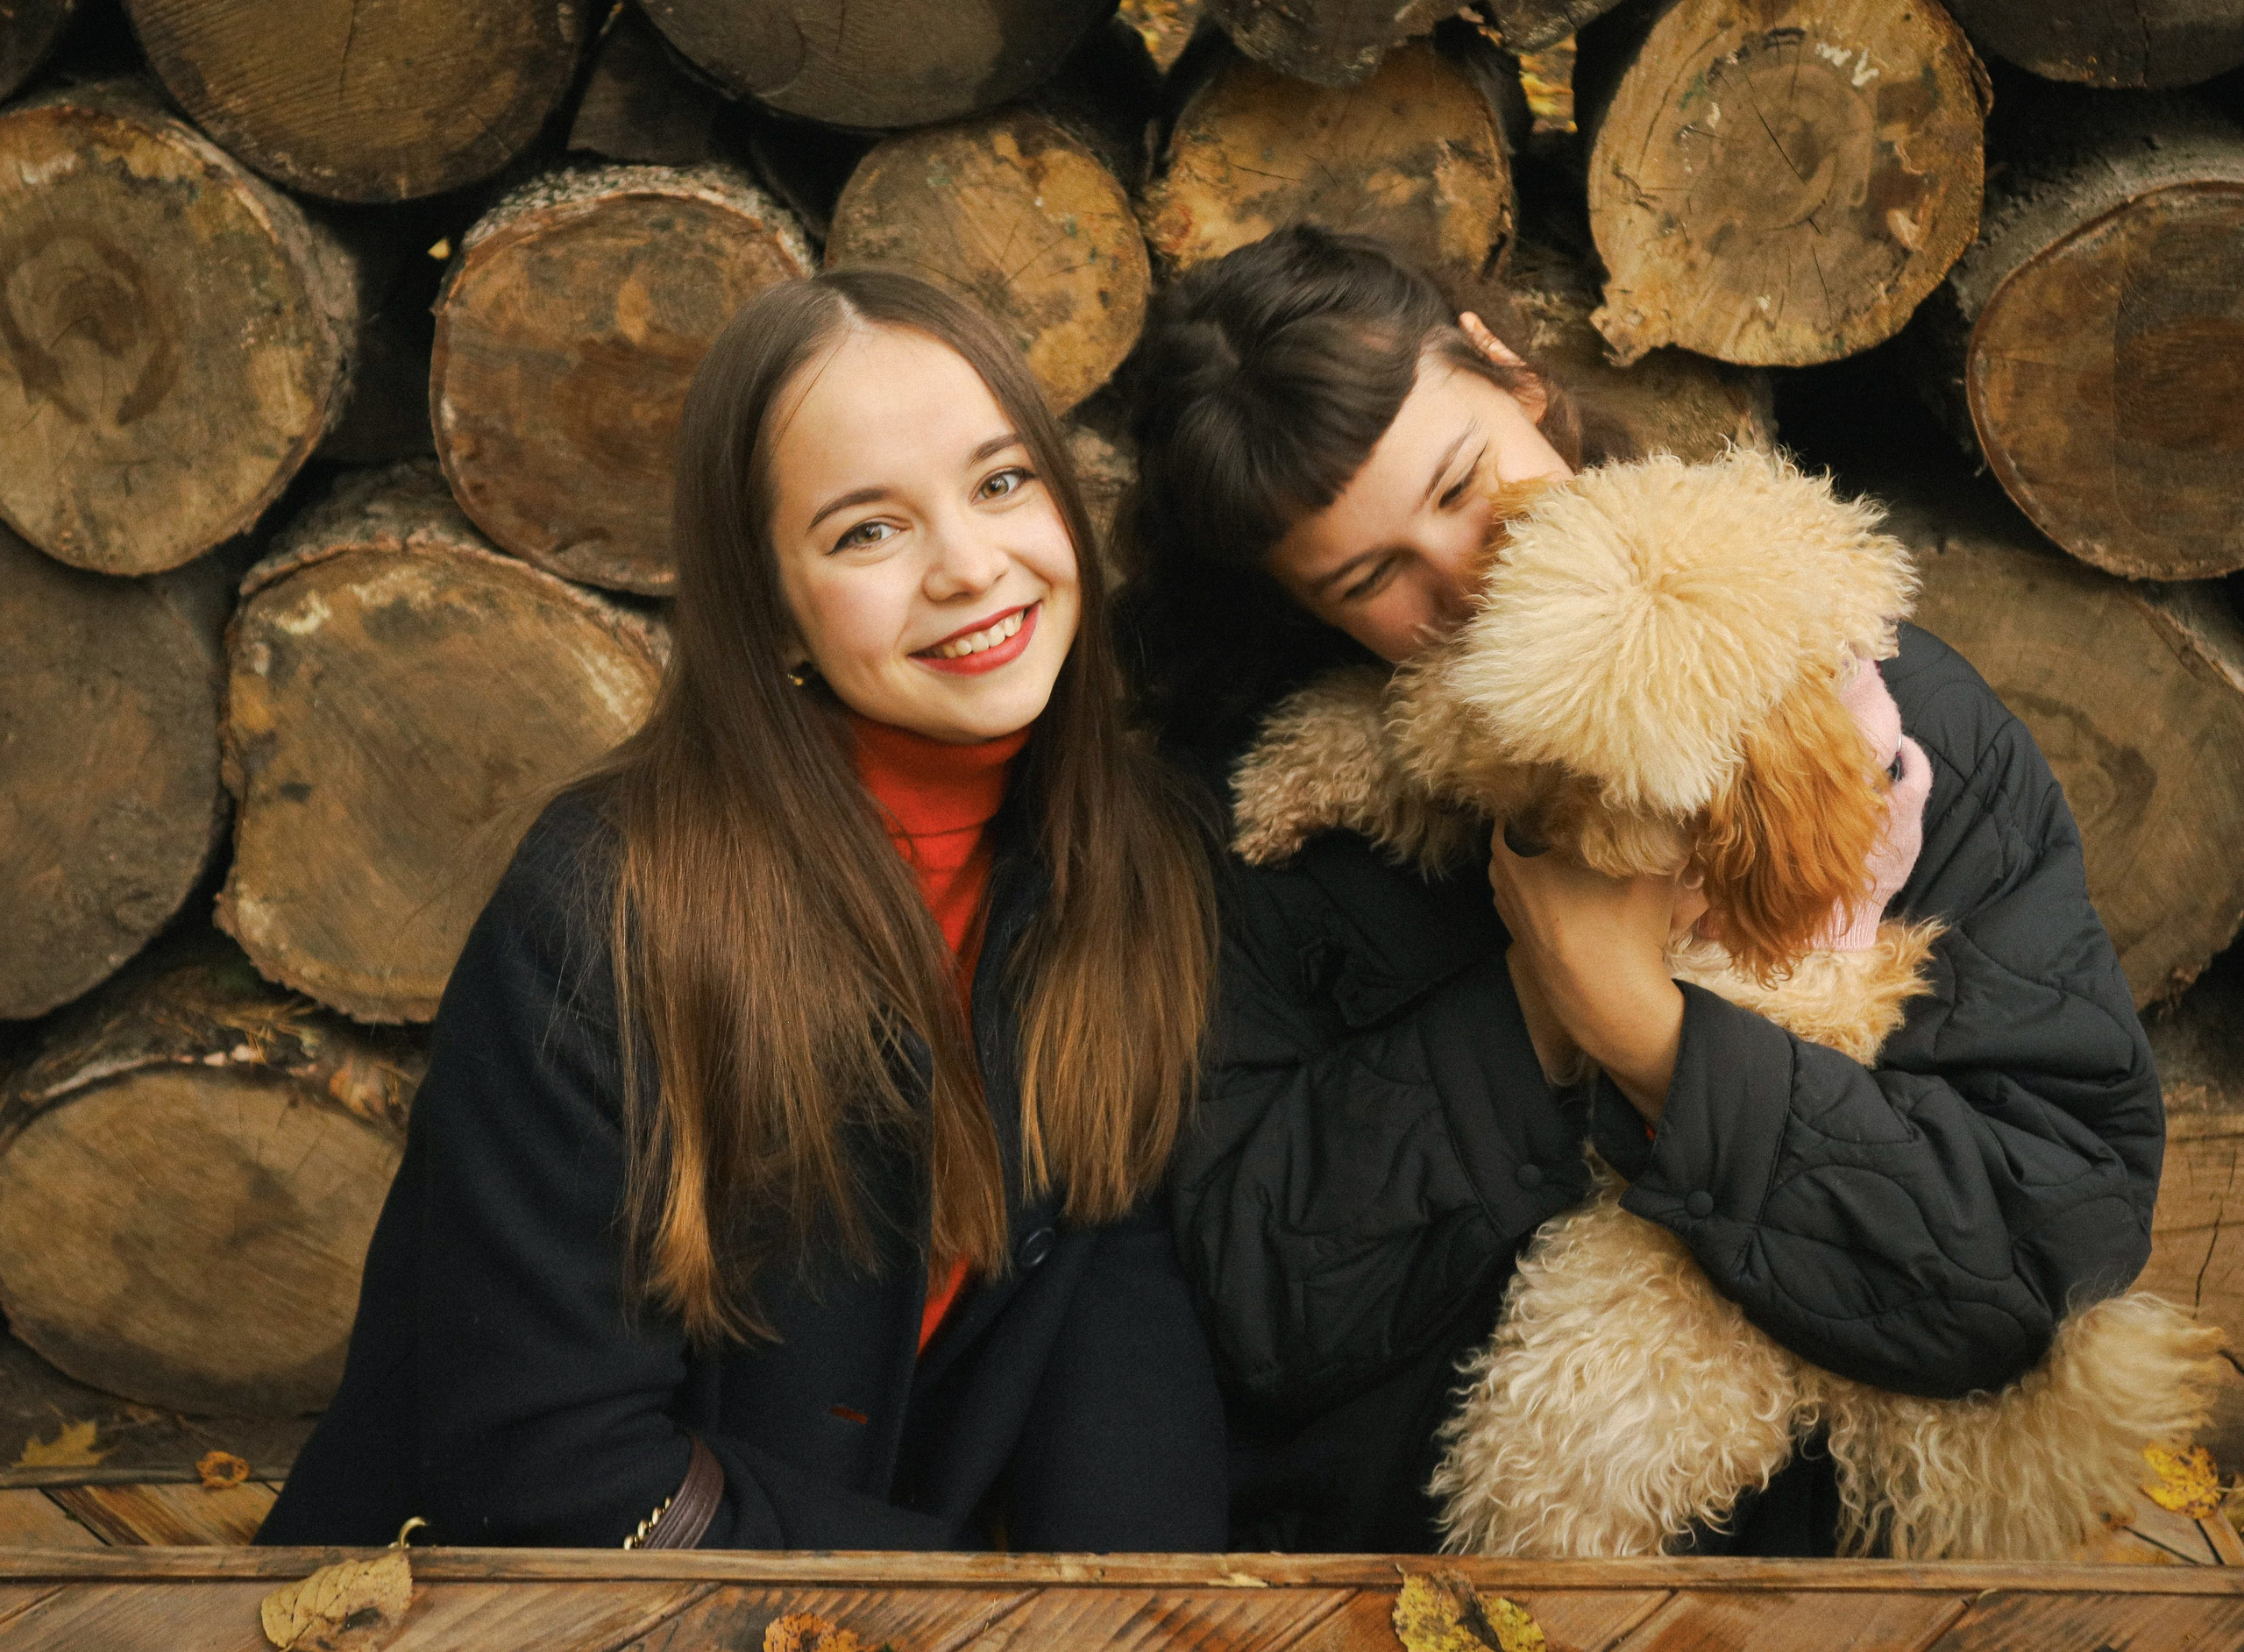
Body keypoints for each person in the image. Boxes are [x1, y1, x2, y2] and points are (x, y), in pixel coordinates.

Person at [1118, 224, 2164, 1554]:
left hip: (1806, 1579)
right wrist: (1532, 1009)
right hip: (1398, 1576)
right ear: (1300, 606)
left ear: (1509, 371)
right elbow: (1252, 1306)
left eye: (1462, 482)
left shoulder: (1878, 707)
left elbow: (2044, 1252)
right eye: (1371, 578)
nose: (1467, 577)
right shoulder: (1250, 821)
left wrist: (1651, 1038)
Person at [260, 271, 1227, 1551]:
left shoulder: (1128, 860)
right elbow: (551, 1468)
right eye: (867, 532)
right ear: (770, 605)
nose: (970, 566)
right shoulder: (607, 906)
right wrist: (966, 1615)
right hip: (533, 1606)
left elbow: (1115, 1317)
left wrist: (1133, 1620)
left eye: (1002, 482)